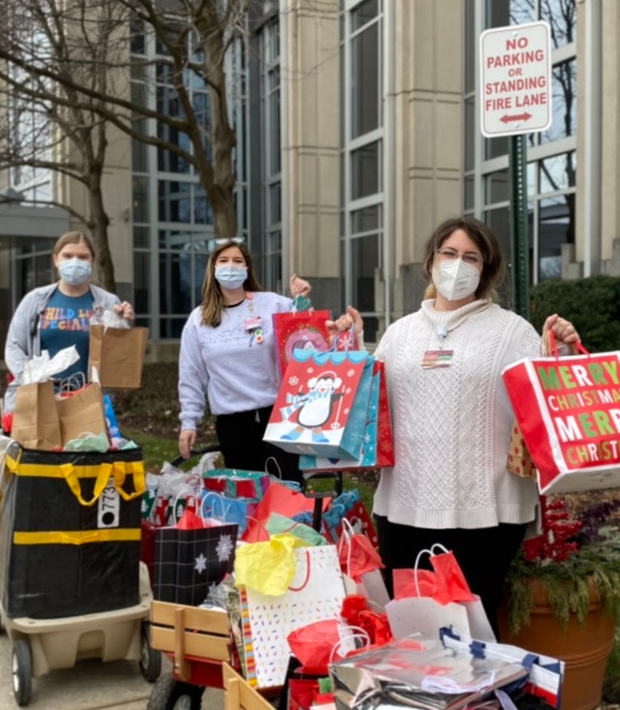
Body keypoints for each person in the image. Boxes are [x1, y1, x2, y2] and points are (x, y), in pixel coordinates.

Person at [333, 215, 579, 632]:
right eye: (449, 253)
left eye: (471, 257)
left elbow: (549, 402)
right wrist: (346, 348)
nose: (458, 265)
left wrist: (564, 351)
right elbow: (367, 410)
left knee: (475, 630)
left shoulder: (512, 332)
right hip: (405, 507)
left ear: (486, 269)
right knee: (412, 629)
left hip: (487, 512)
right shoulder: (399, 334)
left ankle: (479, 680)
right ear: (431, 262)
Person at [178, 238, 311, 480]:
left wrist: (301, 300)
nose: (231, 266)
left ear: (247, 269)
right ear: (213, 269)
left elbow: (306, 335)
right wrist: (189, 422)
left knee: (289, 488)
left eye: (237, 261)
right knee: (247, 494)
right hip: (233, 424)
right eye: (224, 261)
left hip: (279, 415)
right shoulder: (198, 321)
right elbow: (191, 376)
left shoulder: (273, 304)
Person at [3, 231, 134, 411]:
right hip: (40, 400)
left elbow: (119, 358)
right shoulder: (35, 300)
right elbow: (14, 347)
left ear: (93, 261)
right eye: (67, 256)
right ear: (56, 260)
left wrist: (123, 324)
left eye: (83, 257)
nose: (75, 262)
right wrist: (31, 378)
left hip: (89, 403)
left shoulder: (108, 303)